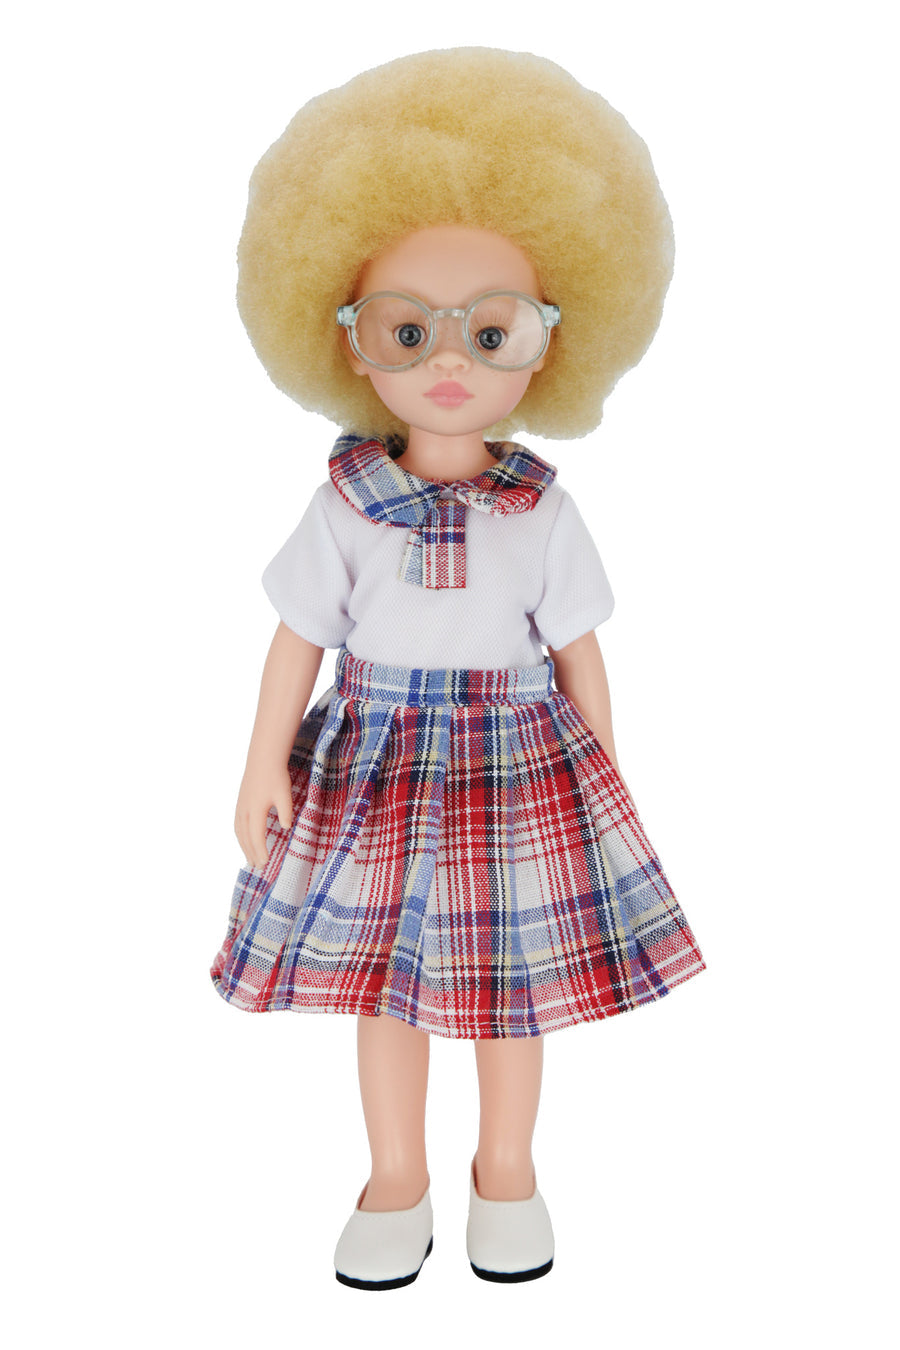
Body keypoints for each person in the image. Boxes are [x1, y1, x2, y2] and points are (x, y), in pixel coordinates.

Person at [210, 48, 706, 1290]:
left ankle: (508, 1170)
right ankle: (395, 1177)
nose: (449, 361)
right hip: (374, 758)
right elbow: (298, 635)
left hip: (517, 763)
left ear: (553, 343)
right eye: (406, 329)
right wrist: (262, 759)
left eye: (492, 331)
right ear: (346, 340)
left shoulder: (542, 510)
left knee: (509, 986)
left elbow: (580, 649)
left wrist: (604, 778)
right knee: (384, 982)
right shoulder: (346, 505)